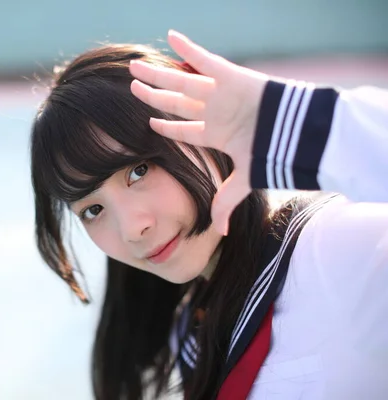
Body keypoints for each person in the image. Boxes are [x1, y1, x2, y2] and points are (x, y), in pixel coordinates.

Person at [29, 29, 388, 400]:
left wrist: (292, 123)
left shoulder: (333, 251)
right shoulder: (192, 329)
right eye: (93, 209)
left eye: (139, 170)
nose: (133, 229)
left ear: (200, 130)